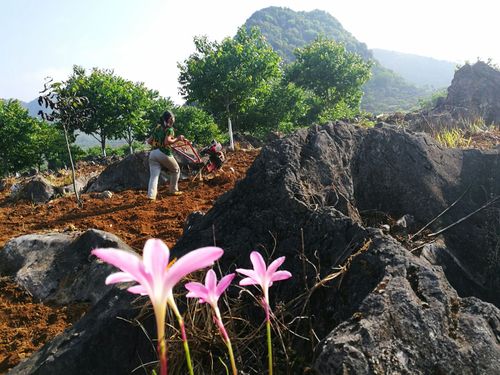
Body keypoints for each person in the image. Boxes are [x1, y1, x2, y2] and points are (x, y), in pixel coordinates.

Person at [146, 110, 186, 200]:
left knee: (154, 176)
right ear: (170, 119)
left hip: (153, 154)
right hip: (163, 153)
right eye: (173, 118)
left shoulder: (157, 128)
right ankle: (173, 190)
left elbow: (149, 141)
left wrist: (157, 145)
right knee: (176, 170)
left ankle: (151, 196)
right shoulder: (169, 129)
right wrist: (178, 139)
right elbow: (167, 141)